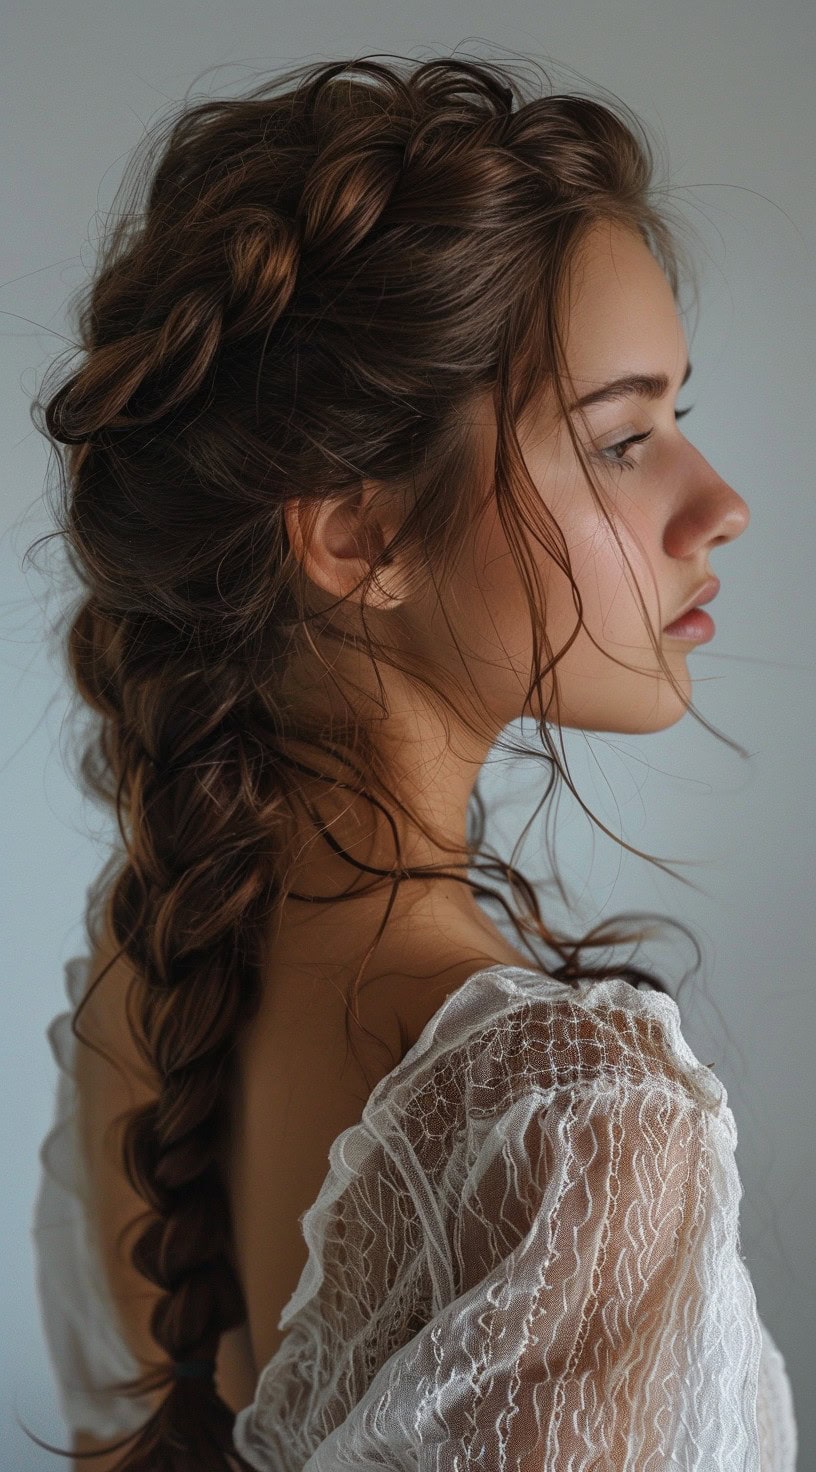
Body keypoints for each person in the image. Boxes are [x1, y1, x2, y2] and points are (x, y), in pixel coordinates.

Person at [25, 53, 797, 1471]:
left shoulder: (153, 971)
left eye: (676, 418)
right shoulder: (577, 1123)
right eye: (623, 439)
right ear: (354, 536)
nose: (722, 504)